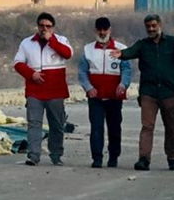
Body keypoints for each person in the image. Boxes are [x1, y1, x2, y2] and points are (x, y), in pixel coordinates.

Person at [111, 13, 174, 171]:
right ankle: (144, 159)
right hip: (148, 93)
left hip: (168, 92)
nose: (151, 29)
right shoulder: (143, 44)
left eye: (153, 26)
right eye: (148, 26)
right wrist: (121, 54)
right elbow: (130, 51)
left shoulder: (172, 42)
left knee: (171, 126)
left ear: (159, 25)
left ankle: (172, 158)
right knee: (147, 126)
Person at [13, 12, 73, 166]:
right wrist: (31, 74)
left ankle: (56, 155)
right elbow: (18, 63)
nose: (44, 29)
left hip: (55, 92)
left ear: (53, 28)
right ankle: (33, 155)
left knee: (57, 125)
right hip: (35, 91)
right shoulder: (27, 43)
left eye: (48, 26)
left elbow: (68, 54)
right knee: (34, 123)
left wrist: (51, 41)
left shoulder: (61, 40)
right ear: (37, 26)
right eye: (41, 26)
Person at [78, 16, 132, 168]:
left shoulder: (121, 49)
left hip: (115, 96)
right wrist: (88, 87)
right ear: (95, 30)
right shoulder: (87, 49)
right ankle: (97, 158)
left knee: (114, 128)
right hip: (95, 96)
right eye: (99, 29)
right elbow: (82, 72)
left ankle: (114, 156)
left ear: (110, 30)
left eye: (105, 29)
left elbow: (127, 69)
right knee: (96, 127)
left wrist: (123, 84)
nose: (102, 32)